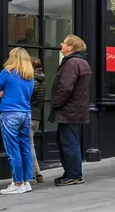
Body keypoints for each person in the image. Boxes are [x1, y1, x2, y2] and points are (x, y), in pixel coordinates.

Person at [50, 35, 92, 186]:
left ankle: (74, 175)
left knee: (68, 142)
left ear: (70, 47)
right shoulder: (80, 62)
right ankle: (70, 173)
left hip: (69, 110)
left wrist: (55, 103)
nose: (61, 44)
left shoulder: (72, 63)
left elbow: (66, 87)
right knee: (66, 141)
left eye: (64, 42)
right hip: (74, 109)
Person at [0, 48, 36, 195]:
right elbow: (29, 95)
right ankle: (26, 181)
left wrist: (0, 96)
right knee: (25, 147)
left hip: (10, 113)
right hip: (26, 113)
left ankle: (17, 183)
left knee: (13, 149)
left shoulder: (7, 72)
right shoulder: (30, 75)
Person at [29, 56, 46, 183]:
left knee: (28, 147)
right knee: (31, 145)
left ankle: (32, 176)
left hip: (29, 115)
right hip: (36, 116)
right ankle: (37, 173)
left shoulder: (30, 80)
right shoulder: (41, 80)